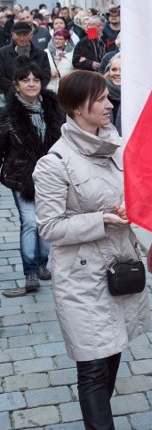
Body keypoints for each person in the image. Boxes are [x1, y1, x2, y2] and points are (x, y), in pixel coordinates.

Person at [33, 70, 150, 430]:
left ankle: (97, 416)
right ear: (76, 107)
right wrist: (100, 219)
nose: (109, 104)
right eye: (100, 99)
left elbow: (132, 194)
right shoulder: (55, 163)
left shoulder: (118, 148)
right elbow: (49, 227)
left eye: (108, 97)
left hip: (120, 270)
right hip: (81, 278)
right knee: (93, 366)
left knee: (112, 354)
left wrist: (131, 207)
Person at [0, 58, 64, 296]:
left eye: (35, 79)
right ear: (16, 85)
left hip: (50, 176)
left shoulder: (53, 108)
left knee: (46, 221)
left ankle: (42, 264)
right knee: (29, 222)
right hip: (22, 177)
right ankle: (30, 271)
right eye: (25, 80)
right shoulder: (7, 115)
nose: (31, 83)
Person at [0, 21, 51, 96]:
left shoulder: (41, 54)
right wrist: (16, 89)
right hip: (9, 96)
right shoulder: (2, 53)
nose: (22, 38)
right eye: (19, 35)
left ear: (31, 35)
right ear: (13, 35)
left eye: (25, 35)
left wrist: (33, 90)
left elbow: (46, 75)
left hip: (35, 96)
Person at [104, 54, 122, 134]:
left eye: (122, 69)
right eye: (114, 69)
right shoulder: (98, 93)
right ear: (108, 71)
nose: (118, 73)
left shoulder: (140, 96)